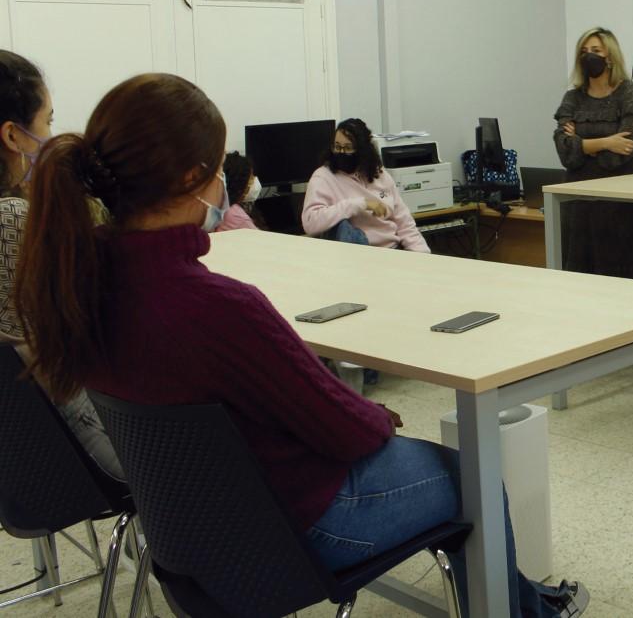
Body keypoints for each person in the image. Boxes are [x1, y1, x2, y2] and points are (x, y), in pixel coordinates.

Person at [15, 73, 587, 617]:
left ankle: (527, 601)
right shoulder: (218, 307)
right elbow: (344, 430)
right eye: (218, 169)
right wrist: (376, 417)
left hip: (192, 532)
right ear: (192, 179)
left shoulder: (80, 286)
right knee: (474, 477)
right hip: (294, 526)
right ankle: (524, 610)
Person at [0, 49, 123, 481]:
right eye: (48, 121)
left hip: (23, 466)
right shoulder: (11, 218)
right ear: (13, 136)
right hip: (77, 452)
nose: (51, 136)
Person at [553, 27, 633, 280]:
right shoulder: (572, 98)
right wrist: (606, 141)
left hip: (618, 202)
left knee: (622, 276)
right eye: (584, 51)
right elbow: (565, 153)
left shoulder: (629, 93)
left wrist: (581, 142)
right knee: (579, 277)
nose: (589, 56)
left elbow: (618, 155)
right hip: (578, 201)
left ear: (610, 56)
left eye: (596, 50)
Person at [301, 118, 428, 252]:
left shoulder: (380, 174)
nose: (341, 152)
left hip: (392, 249)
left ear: (362, 150)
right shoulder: (323, 177)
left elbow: (404, 222)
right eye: (337, 147)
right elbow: (310, 223)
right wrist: (359, 204)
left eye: (348, 148)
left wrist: (422, 254)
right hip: (357, 254)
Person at [213, 150, 260, 232]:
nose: (254, 181)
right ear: (240, 184)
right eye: (251, 178)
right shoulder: (236, 216)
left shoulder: (218, 207)